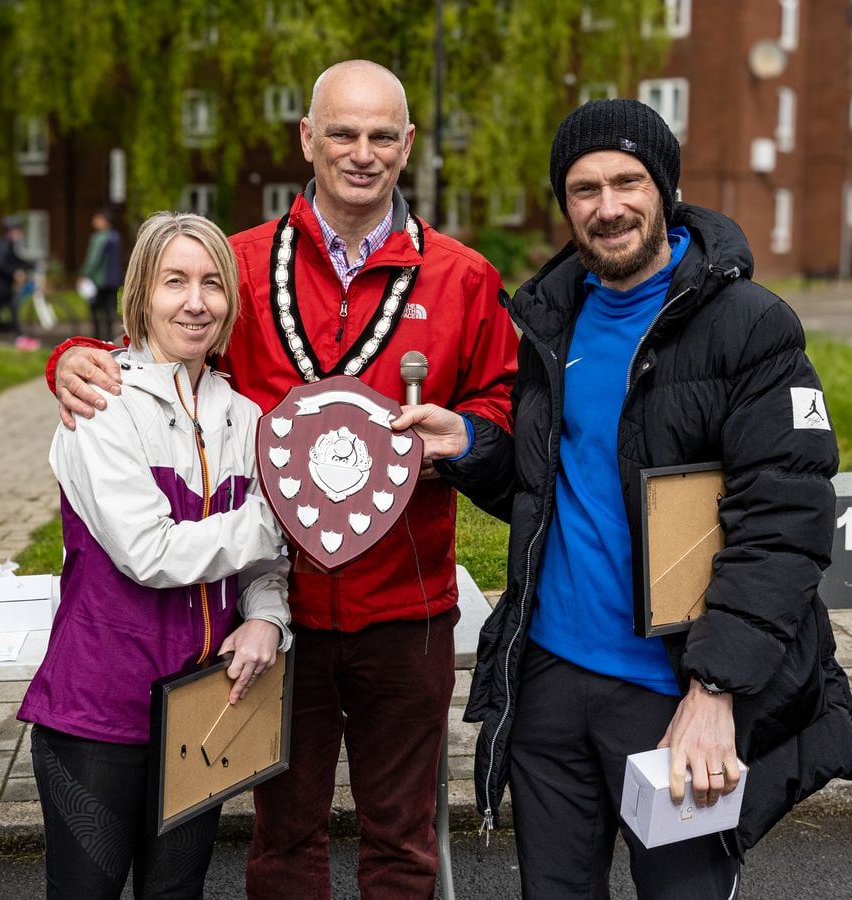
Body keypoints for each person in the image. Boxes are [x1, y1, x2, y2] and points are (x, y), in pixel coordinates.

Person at [46, 60, 518, 899]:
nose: (361, 152)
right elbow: (161, 352)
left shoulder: (462, 278)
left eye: (381, 136)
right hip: (275, 617)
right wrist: (72, 359)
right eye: (341, 132)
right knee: (283, 839)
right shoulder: (236, 265)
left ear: (407, 146)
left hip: (404, 611)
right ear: (308, 138)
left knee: (404, 843)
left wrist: (472, 435)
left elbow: (506, 412)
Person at [394, 99, 852, 898]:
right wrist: (471, 445)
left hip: (675, 693)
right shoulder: (551, 319)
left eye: (627, 181)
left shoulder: (750, 327)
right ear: (565, 203)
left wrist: (715, 691)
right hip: (549, 684)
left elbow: (785, 524)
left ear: (665, 188)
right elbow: (550, 488)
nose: (607, 207)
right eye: (584, 189)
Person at [18, 212, 292, 899]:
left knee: (177, 894)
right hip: (97, 712)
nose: (195, 301)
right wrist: (285, 513)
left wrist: (266, 618)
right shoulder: (101, 403)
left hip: (201, 704)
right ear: (141, 294)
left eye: (211, 284)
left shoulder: (245, 417)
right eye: (175, 281)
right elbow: (151, 552)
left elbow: (260, 565)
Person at [0, 217, 31, 346]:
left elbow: (16, 259)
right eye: (18, 231)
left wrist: (31, 265)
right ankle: (19, 337)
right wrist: (14, 273)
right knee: (11, 309)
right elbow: (0, 265)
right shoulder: (4, 245)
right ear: (11, 231)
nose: (20, 234)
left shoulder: (6, 244)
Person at [80, 209, 124, 341]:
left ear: (105, 222)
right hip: (114, 279)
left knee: (95, 309)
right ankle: (110, 336)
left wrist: (85, 274)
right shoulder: (116, 236)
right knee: (110, 308)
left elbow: (94, 259)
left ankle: (98, 336)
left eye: (97, 219)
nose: (94, 222)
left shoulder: (99, 238)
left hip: (99, 280)